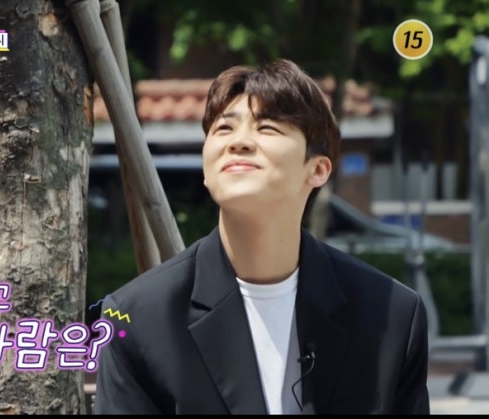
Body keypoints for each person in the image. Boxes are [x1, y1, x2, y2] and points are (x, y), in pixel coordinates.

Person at [92, 59, 430, 415]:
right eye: (224, 128)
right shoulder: (137, 319)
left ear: (317, 169)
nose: (239, 142)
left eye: (267, 128)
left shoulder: (390, 316)